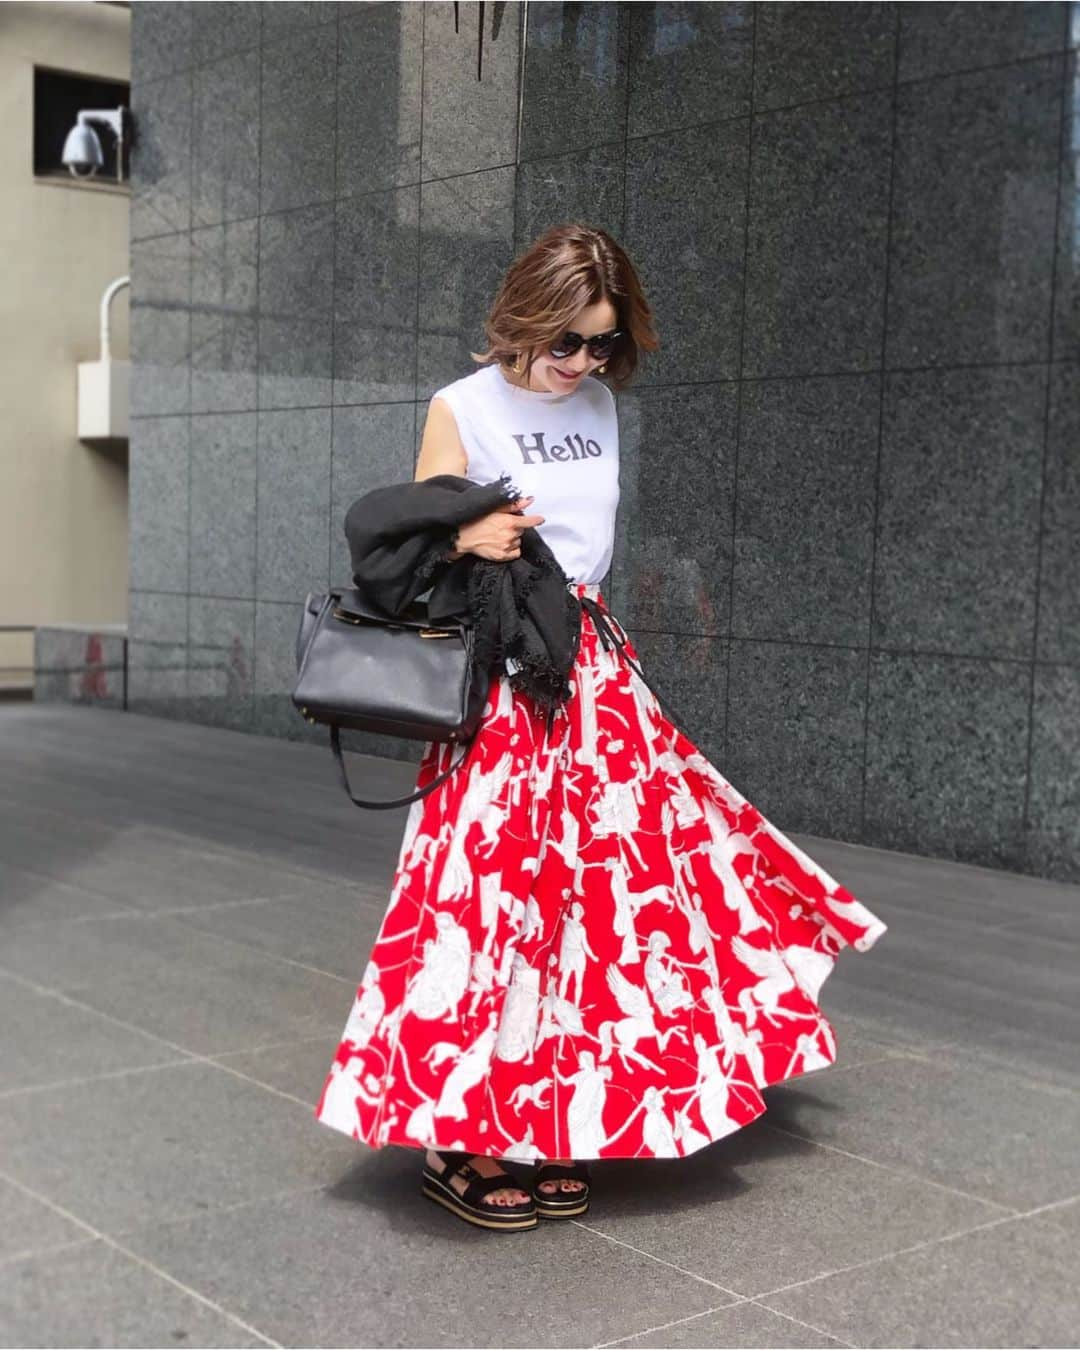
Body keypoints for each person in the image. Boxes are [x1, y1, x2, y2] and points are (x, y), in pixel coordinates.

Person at [313, 223, 888, 1232]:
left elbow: (593, 543)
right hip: (501, 682)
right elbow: (402, 555)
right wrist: (461, 532)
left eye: (603, 345)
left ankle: (556, 1115)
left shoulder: (602, 407)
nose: (582, 363)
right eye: (566, 342)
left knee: (609, 906)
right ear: (521, 321)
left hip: (592, 672)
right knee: (490, 907)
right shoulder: (461, 405)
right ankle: (464, 1137)